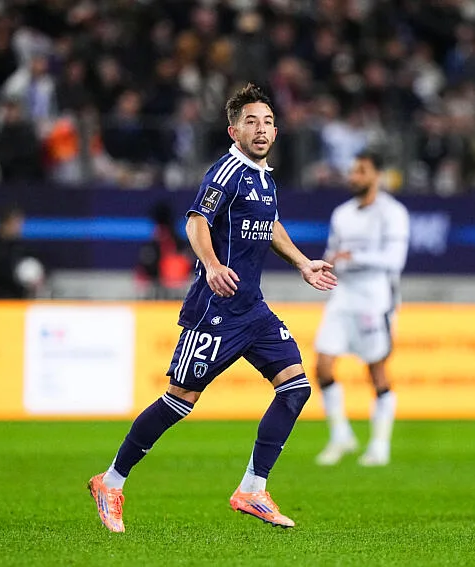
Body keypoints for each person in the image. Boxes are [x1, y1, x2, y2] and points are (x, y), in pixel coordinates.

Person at [87, 83, 337, 532]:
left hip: (253, 309)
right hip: (215, 308)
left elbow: (270, 225)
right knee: (179, 401)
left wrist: (302, 263)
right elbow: (196, 219)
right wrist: (211, 264)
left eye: (266, 122)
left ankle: (252, 489)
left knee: (295, 388)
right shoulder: (227, 172)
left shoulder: (264, 178)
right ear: (233, 130)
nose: (259, 130)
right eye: (250, 122)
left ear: (277, 132)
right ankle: (111, 481)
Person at [313, 151, 410, 467]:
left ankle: (380, 444)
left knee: (376, 371)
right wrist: (327, 267)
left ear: (376, 176)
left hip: (375, 299)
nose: (354, 177)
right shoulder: (342, 213)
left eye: (361, 172)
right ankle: (341, 435)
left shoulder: (392, 213)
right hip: (343, 297)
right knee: (323, 366)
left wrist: (353, 258)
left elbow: (394, 261)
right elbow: (333, 253)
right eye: (352, 172)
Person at [0, 205, 45, 299]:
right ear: (4, 224)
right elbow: (0, 269)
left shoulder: (21, 247)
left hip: (20, 301)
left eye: (20, 224)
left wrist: (37, 276)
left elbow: (38, 262)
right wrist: (20, 273)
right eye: (15, 223)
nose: (19, 228)